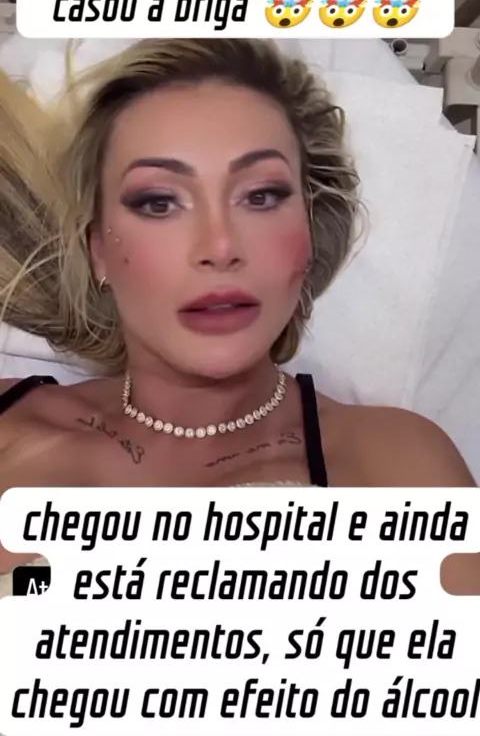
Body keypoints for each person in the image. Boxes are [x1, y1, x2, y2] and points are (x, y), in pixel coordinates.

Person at [0, 38, 477, 596]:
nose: (220, 246)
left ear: (308, 234)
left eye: (261, 196)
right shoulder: (12, 424)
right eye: (159, 202)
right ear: (99, 251)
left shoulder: (394, 466)